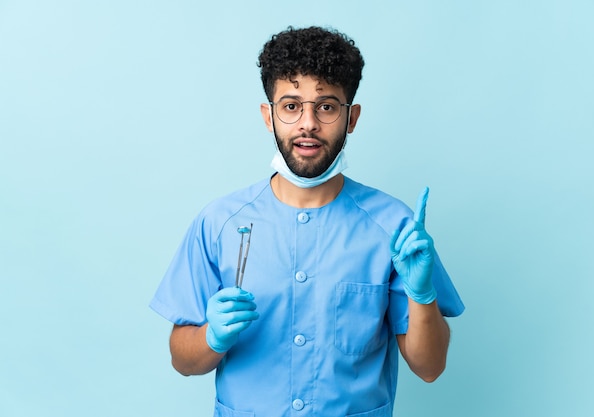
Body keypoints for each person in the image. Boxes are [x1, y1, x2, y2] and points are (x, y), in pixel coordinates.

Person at [150, 26, 464, 417]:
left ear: (352, 118)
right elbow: (183, 361)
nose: (308, 124)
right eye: (291, 106)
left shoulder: (393, 226)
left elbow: (429, 368)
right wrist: (211, 338)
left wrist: (422, 296)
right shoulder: (219, 223)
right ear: (269, 115)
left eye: (327, 106)